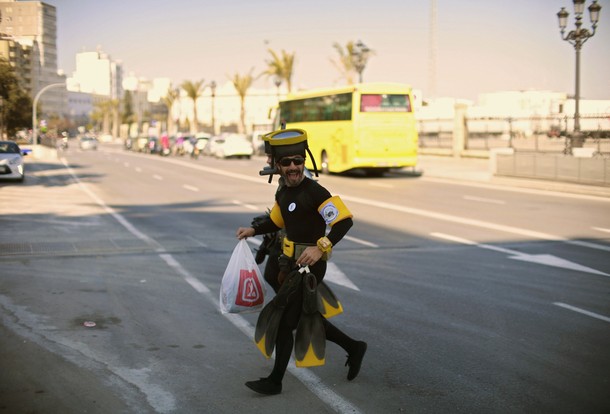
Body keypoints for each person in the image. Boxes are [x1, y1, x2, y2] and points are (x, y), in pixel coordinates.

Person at [236, 128, 367, 395]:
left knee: (286, 320)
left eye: (298, 160)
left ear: (304, 162)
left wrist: (321, 248)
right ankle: (354, 347)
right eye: (287, 162)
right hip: (290, 263)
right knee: (301, 316)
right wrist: (253, 231)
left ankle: (275, 381)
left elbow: (345, 221)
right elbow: (276, 220)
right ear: (277, 166)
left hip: (310, 267)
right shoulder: (283, 194)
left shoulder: (315, 192)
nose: (294, 167)